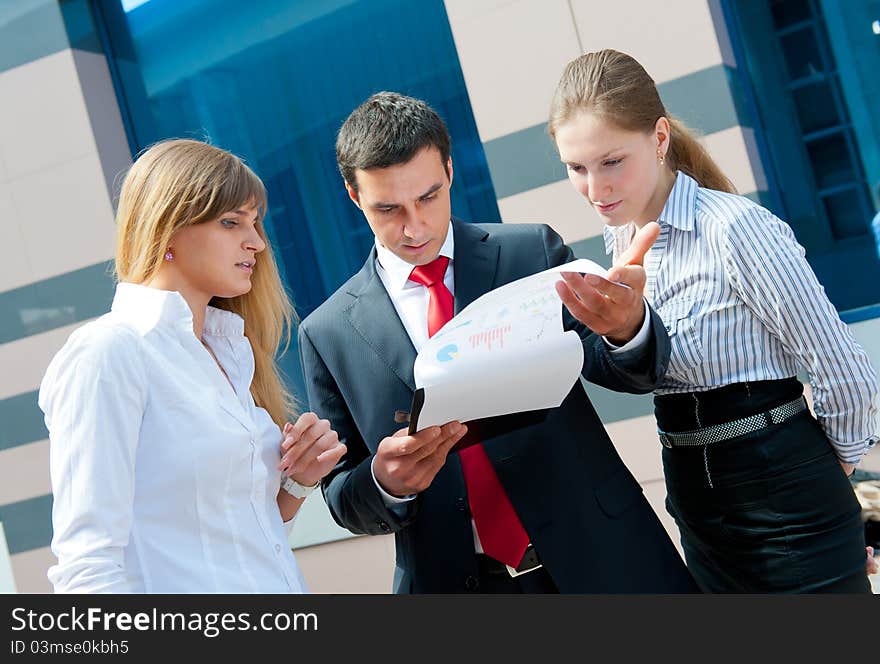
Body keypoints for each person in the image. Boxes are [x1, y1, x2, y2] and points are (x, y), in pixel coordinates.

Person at [297, 91, 698, 593]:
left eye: (428, 196)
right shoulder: (328, 333)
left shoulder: (530, 253)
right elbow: (342, 496)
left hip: (603, 559)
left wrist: (625, 327)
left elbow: (627, 374)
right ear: (355, 199)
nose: (414, 225)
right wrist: (385, 482)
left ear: (449, 170)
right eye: (388, 209)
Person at [548, 49, 880, 592]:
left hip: (791, 501)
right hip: (698, 511)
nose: (595, 188)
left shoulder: (735, 230)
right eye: (576, 168)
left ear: (659, 138)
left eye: (611, 161)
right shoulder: (621, 241)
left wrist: (821, 479)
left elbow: (848, 378)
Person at [39, 139, 346, 593]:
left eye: (255, 223)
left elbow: (239, 542)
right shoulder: (110, 353)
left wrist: (298, 482)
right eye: (231, 222)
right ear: (167, 228)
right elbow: (87, 567)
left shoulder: (228, 354)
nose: (257, 242)